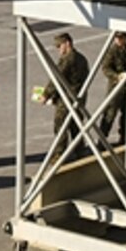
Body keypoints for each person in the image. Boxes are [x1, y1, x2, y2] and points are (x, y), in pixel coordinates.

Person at [38, 33, 90, 163]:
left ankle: (59, 154)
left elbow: (57, 78)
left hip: (67, 99)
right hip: (79, 97)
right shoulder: (81, 58)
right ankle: (80, 150)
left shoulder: (67, 59)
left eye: (60, 46)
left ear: (67, 43)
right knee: (75, 124)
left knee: (60, 125)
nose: (59, 50)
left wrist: (46, 94)